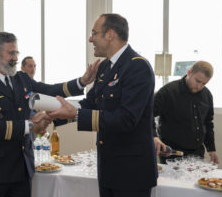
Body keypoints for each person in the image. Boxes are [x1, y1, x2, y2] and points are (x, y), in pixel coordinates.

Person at [0, 31, 100, 197]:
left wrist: (81, 82)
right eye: (11, 53)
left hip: (21, 172)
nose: (15, 58)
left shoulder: (20, 79)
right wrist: (30, 125)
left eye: (16, 53)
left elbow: (49, 90)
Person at [48, 13, 157, 197]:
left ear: (110, 34)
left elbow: (126, 119)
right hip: (108, 168)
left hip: (132, 173)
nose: (90, 39)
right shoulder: (106, 67)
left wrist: (74, 114)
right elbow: (91, 103)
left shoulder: (137, 67)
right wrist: (56, 112)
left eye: (94, 33)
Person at [153, 61, 219, 164]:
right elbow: (147, 115)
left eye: (204, 83)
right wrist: (154, 136)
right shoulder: (168, 91)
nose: (199, 86)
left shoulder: (207, 95)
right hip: (172, 154)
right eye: (197, 81)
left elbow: (208, 123)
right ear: (189, 73)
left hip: (197, 154)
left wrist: (211, 149)